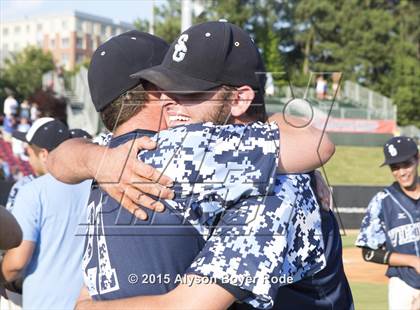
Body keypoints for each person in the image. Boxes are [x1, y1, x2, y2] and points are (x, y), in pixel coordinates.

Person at [50, 24, 351, 309]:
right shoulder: (125, 155)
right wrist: (96, 160)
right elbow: (60, 157)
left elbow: (187, 306)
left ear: (239, 99)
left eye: (188, 91)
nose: (171, 101)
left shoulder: (270, 179)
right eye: (166, 86)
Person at [0, 117, 92, 310]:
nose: (28, 159)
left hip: (45, 304)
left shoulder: (33, 191)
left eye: (30, 152)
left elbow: (16, 262)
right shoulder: (95, 187)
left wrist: (3, 276)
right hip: (90, 301)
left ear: (43, 154)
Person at [356, 136, 420, 310]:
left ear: (418, 158)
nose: (401, 172)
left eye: (406, 164)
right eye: (395, 167)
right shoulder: (382, 201)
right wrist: (413, 261)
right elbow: (368, 252)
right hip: (402, 285)